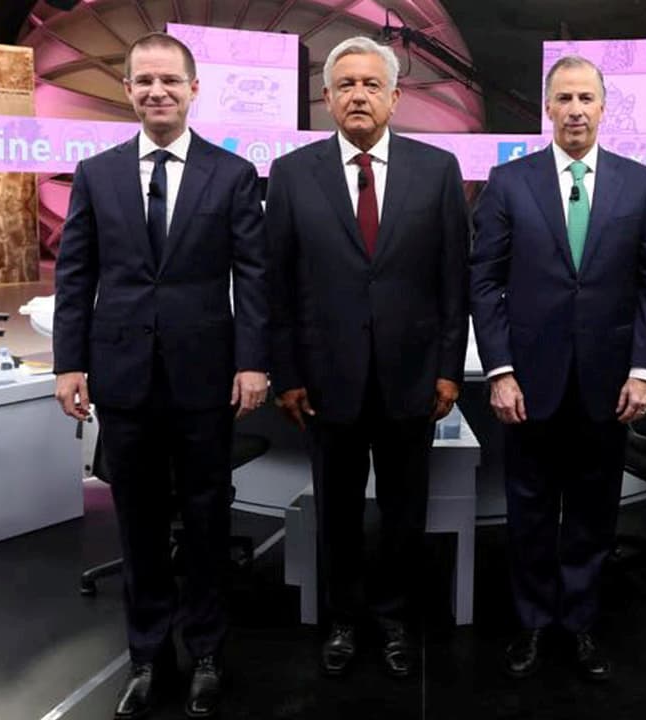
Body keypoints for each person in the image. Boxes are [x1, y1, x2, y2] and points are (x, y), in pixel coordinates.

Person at [52, 31, 270, 719]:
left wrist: (253, 360)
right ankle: (147, 657)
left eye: (170, 80)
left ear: (193, 88)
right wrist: (69, 362)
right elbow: (75, 275)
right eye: (144, 80)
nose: (157, 91)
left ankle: (206, 653)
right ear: (127, 90)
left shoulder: (232, 175)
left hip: (205, 378)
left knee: (206, 520)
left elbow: (253, 277)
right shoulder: (97, 174)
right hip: (122, 378)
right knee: (139, 524)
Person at [265, 36, 469, 679]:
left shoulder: (437, 170)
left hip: (414, 378)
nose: (359, 95)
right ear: (327, 99)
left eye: (371, 84)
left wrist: (447, 369)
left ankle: (395, 619)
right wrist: (287, 374)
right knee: (338, 510)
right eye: (346, 85)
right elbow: (278, 285)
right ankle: (345, 620)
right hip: (326, 380)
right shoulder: (291, 174)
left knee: (406, 511)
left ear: (395, 97)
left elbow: (453, 281)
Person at [470, 55, 646, 682]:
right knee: (528, 509)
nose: (576, 109)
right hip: (528, 383)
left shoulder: (641, 184)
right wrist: (500, 370)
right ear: (547, 108)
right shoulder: (509, 182)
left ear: (604, 107)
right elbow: (484, 281)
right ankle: (532, 622)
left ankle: (580, 621)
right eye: (564, 98)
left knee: (593, 510)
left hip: (609, 384)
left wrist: (644, 370)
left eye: (586, 98)